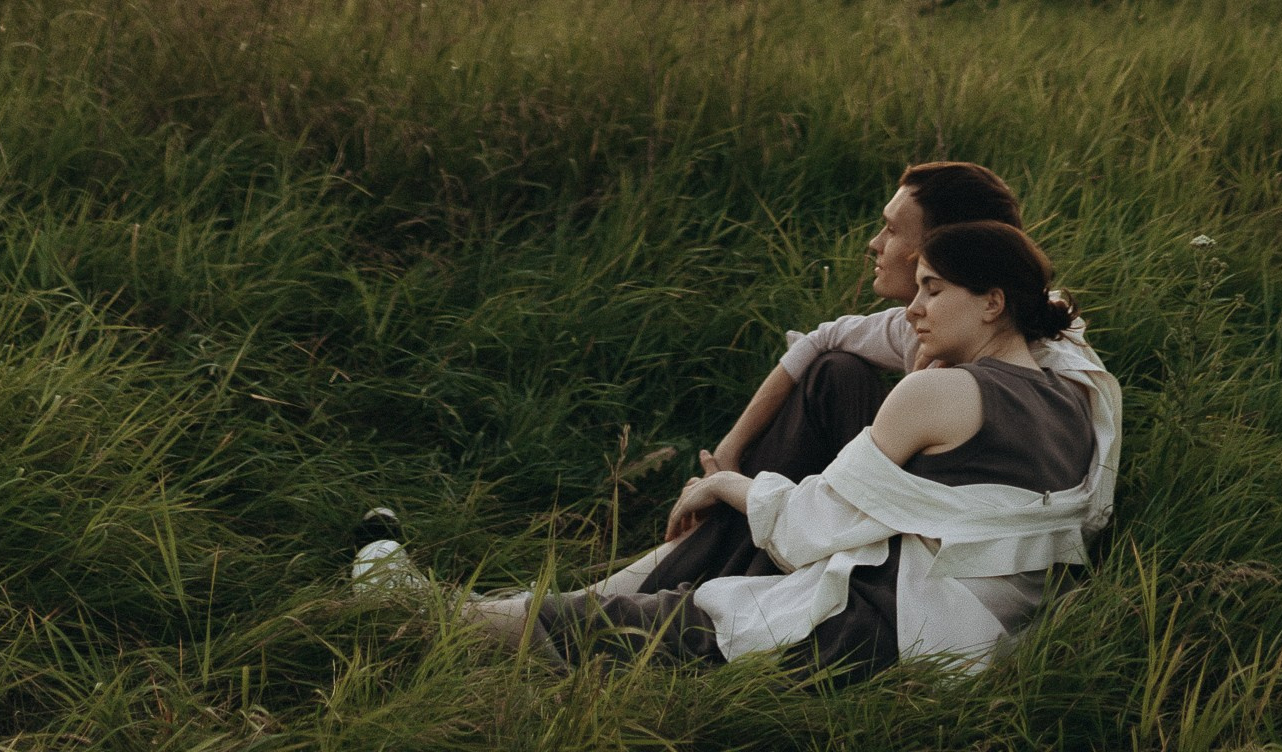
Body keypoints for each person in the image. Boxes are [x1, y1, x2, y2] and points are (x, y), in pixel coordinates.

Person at [452, 220, 1118, 676]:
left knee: (616, 625)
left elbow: (806, 528)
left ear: (993, 302)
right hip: (974, 636)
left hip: (885, 633)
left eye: (933, 290)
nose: (914, 309)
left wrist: (720, 484)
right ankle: (445, 605)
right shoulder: (1073, 398)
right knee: (660, 604)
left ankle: (402, 615)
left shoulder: (940, 395)